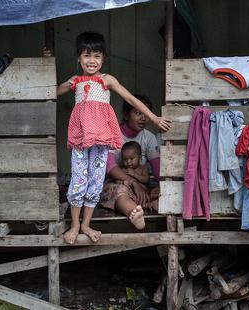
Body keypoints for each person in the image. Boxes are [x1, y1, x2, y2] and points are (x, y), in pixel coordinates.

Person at [56, 32, 171, 244]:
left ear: (104, 59)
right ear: (78, 58)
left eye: (97, 56)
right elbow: (52, 92)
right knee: (79, 182)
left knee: (95, 182)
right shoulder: (75, 81)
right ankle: (74, 225)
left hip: (101, 142)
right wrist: (49, 64)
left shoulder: (106, 80)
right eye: (87, 55)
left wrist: (154, 118)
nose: (92, 61)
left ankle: (86, 225)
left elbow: (130, 98)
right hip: (81, 141)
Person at [100, 95, 162, 230]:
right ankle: (133, 212)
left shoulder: (149, 137)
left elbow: (158, 171)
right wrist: (133, 182)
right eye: (138, 113)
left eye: (146, 113)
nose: (144, 118)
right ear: (126, 115)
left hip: (143, 186)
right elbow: (110, 167)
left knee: (160, 192)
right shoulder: (114, 135)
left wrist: (161, 187)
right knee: (119, 191)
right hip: (119, 183)